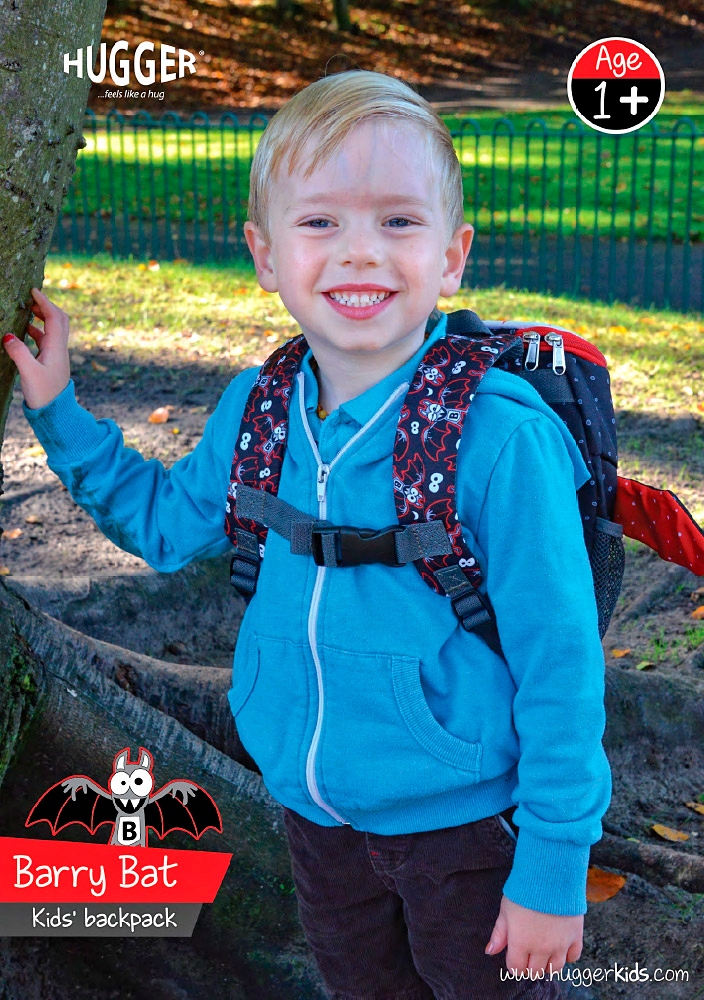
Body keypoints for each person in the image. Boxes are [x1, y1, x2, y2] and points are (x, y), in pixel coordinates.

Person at [4, 70, 610, 999]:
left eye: (398, 221)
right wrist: (59, 412)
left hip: (466, 830)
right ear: (265, 254)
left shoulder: (499, 438)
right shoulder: (260, 409)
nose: (360, 251)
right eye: (320, 222)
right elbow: (164, 527)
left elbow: (561, 664)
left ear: (452, 257)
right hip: (313, 820)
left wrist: (554, 868)